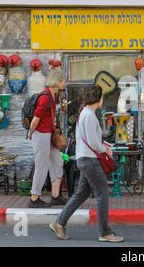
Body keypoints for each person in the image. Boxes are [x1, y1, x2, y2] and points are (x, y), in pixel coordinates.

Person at [49, 85, 123, 243]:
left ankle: (59, 223)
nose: (103, 100)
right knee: (103, 194)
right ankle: (105, 232)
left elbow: (91, 140)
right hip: (90, 160)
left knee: (81, 194)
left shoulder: (85, 113)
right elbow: (94, 143)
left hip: (85, 159)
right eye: (102, 97)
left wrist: (102, 146)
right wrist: (106, 150)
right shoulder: (89, 115)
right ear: (97, 98)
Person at [28, 70, 67, 208]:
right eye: (63, 81)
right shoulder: (45, 98)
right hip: (41, 134)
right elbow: (35, 119)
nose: (64, 83)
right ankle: (34, 198)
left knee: (57, 161)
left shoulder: (52, 96)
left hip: (48, 134)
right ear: (57, 82)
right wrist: (30, 133)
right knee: (41, 165)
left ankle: (56, 196)